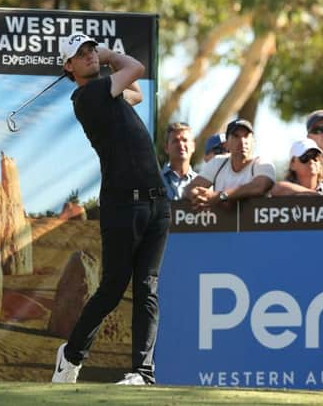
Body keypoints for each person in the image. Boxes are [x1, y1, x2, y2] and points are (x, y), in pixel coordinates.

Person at [52, 33, 170, 386]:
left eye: (91, 49)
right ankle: (71, 356)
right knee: (114, 287)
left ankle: (143, 373)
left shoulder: (109, 94)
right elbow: (135, 67)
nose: (90, 55)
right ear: (68, 66)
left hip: (156, 201)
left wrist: (102, 61)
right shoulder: (86, 97)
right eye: (81, 54)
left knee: (147, 288)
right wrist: (106, 54)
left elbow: (136, 91)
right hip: (122, 204)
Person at [184, 118, 275, 209]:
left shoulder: (262, 163)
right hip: (223, 222)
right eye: (236, 136)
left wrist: (221, 197)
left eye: (246, 136)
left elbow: (259, 186)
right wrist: (198, 197)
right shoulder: (217, 162)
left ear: (253, 142)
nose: (242, 142)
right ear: (226, 144)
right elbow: (191, 188)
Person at [161, 122, 197, 200]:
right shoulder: (155, 180)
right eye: (175, 141)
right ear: (166, 148)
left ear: (193, 146)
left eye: (185, 140)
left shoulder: (202, 183)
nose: (181, 144)